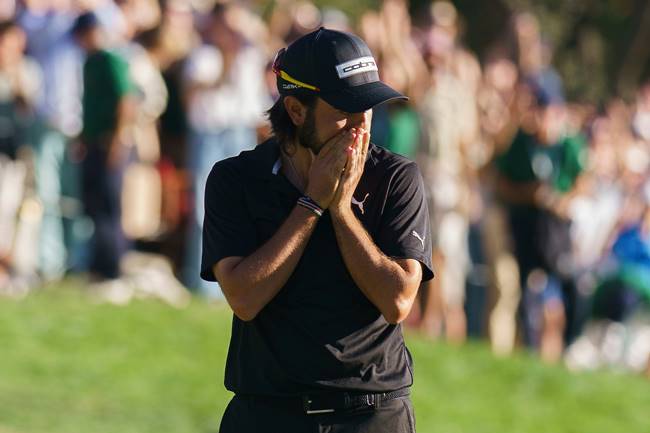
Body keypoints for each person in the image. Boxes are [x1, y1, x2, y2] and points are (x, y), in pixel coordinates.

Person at [201, 28, 433, 433]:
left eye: (370, 107)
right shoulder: (236, 179)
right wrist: (311, 204)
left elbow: (398, 301)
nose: (362, 125)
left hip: (373, 413)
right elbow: (243, 297)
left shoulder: (396, 177)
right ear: (295, 110)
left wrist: (340, 209)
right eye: (346, 108)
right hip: (268, 414)